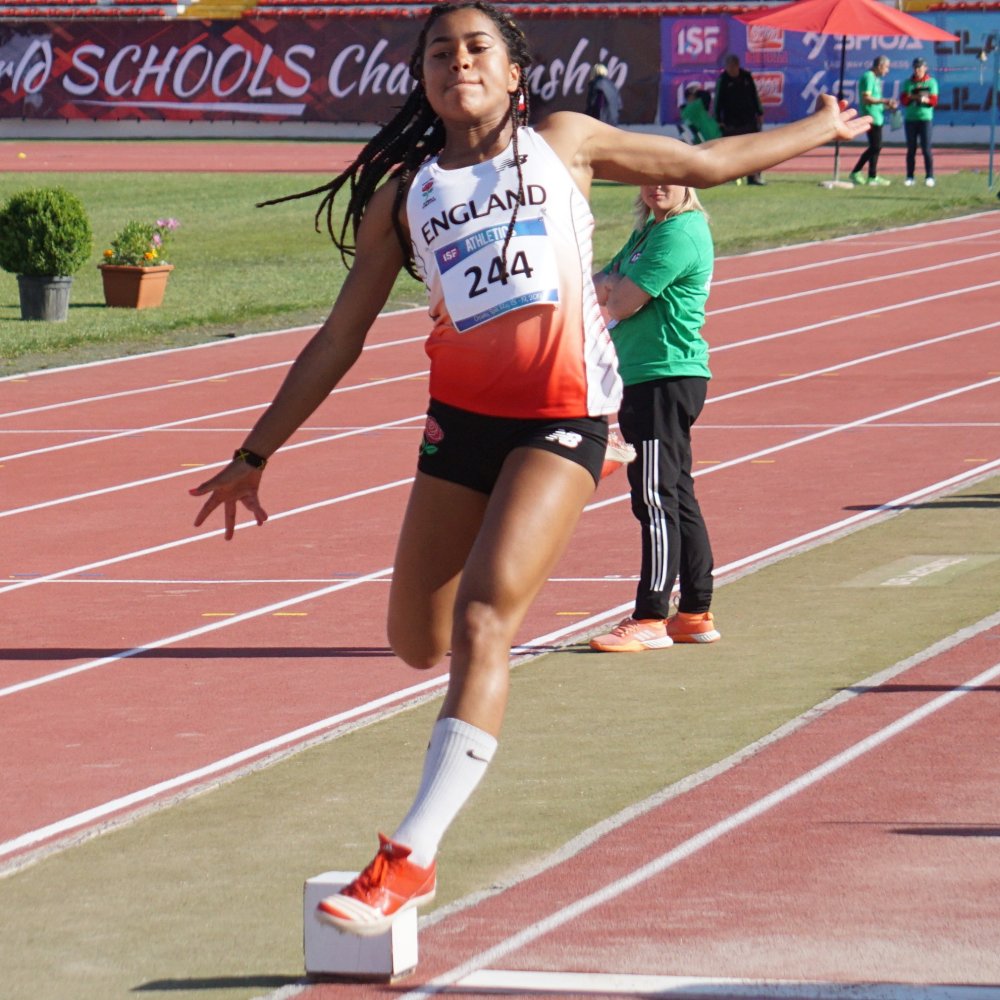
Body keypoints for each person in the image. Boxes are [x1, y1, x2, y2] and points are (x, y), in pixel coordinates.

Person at [189, 0, 869, 940]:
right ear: (421, 79)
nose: (457, 62)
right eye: (439, 52)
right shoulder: (404, 194)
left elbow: (706, 164)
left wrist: (822, 128)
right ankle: (466, 699)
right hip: (459, 425)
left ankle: (409, 857)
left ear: (514, 72)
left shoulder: (565, 143)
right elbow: (340, 337)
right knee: (415, 641)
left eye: (477, 48)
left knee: (482, 619)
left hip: (564, 418)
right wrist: (255, 452)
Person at [589, 185, 719, 653]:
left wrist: (617, 284)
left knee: (654, 496)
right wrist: (616, 282)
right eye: (647, 176)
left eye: (668, 176)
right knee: (676, 492)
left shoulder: (678, 233)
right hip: (650, 374)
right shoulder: (650, 230)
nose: (656, 185)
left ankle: (650, 617)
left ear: (689, 183)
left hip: (663, 375)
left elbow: (619, 301)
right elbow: (600, 282)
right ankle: (694, 611)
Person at [714, 54, 765, 185]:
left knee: (754, 149)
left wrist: (759, 112)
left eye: (731, 66)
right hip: (730, 121)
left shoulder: (747, 77)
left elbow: (755, 95)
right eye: (727, 67)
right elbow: (717, 101)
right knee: (730, 150)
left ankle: (754, 177)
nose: (729, 69)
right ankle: (730, 177)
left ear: (737, 66)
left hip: (749, 119)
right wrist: (718, 119)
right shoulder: (723, 80)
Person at [849, 56, 897, 187]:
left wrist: (887, 106)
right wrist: (884, 100)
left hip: (877, 116)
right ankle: (856, 171)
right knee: (876, 146)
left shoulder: (875, 78)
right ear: (880, 66)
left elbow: (875, 99)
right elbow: (866, 98)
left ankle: (872, 176)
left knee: (876, 147)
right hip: (870, 116)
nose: (887, 71)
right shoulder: (868, 76)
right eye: (886, 67)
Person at [901, 56, 938, 187]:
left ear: (925, 68)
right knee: (911, 149)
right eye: (916, 68)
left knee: (926, 149)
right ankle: (910, 177)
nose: (917, 70)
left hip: (925, 119)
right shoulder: (908, 83)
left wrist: (925, 100)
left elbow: (934, 101)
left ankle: (930, 176)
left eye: (920, 68)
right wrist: (912, 97)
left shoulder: (931, 82)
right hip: (911, 119)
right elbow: (903, 100)